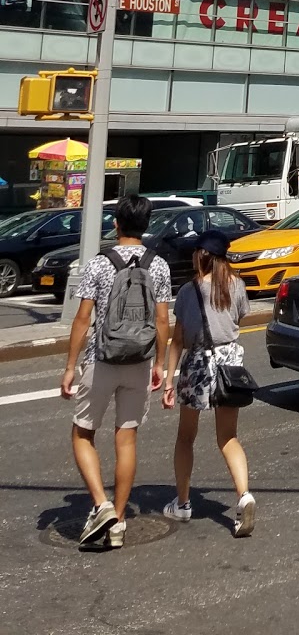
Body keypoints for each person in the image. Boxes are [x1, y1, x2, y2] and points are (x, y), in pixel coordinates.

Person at [60, 194, 171, 549]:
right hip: (138, 360)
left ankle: (101, 503)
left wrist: (69, 367)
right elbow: (162, 320)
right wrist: (160, 364)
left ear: (117, 223)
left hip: (101, 358)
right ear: (146, 225)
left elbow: (82, 319)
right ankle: (119, 521)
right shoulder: (159, 266)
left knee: (82, 434)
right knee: (126, 439)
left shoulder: (98, 264)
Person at [162, 230, 255, 537]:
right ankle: (244, 495)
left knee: (185, 437)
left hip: (200, 364)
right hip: (230, 363)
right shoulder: (236, 285)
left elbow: (178, 340)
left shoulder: (189, 291)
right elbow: (237, 321)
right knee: (228, 437)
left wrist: (168, 380)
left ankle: (184, 503)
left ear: (199, 255)